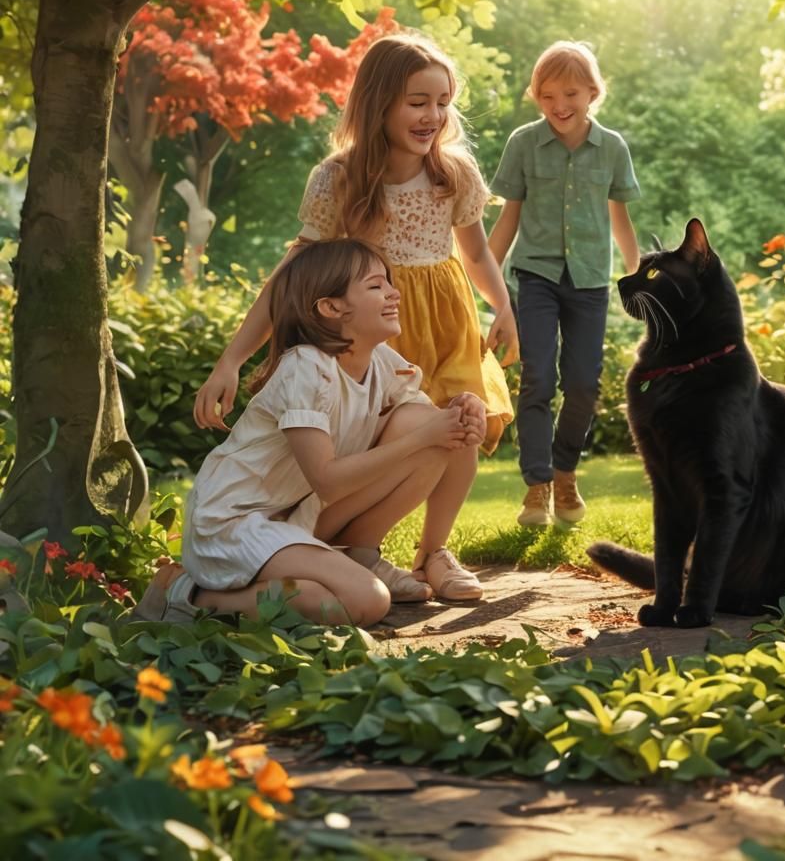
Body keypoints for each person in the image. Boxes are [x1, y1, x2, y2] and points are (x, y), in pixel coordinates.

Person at [193, 32, 517, 601]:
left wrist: (505, 306)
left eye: (443, 102)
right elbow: (292, 275)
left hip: (445, 315)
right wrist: (232, 358)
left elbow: (476, 253)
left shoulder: (455, 174)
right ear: (378, 104)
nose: (433, 116)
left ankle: (435, 552)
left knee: (462, 425)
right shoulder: (338, 179)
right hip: (376, 324)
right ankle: (366, 551)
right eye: (418, 102)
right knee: (407, 440)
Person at [135, 239, 488, 626]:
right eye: (376, 286)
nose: (394, 293)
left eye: (388, 283)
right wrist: (425, 436)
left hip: (295, 514)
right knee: (364, 602)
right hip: (235, 522)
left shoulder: (382, 363)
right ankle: (186, 595)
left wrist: (462, 408)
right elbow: (328, 482)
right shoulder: (306, 368)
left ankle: (358, 555)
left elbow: (428, 430)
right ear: (332, 308)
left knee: (433, 427)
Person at [488, 41, 641, 528]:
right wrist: (489, 290)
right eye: (547, 94)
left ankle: (565, 474)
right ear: (535, 95)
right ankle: (537, 488)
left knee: (581, 384)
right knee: (538, 379)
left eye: (570, 92)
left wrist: (638, 278)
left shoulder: (612, 147)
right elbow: (507, 220)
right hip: (535, 277)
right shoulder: (523, 144)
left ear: (593, 92)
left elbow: (621, 220)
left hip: (591, 280)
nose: (559, 104)